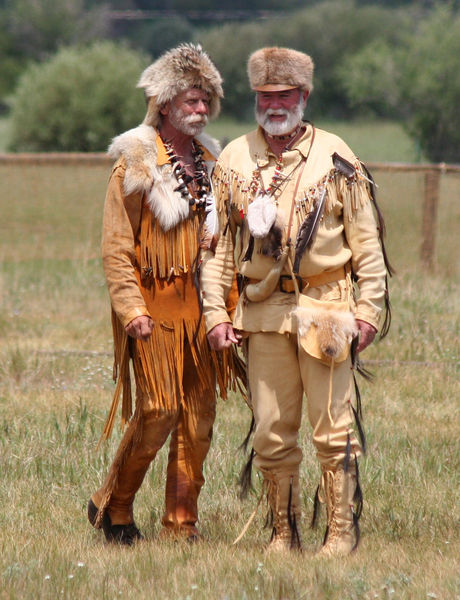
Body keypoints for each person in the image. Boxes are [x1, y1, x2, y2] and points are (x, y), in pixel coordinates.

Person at [200, 47, 392, 556]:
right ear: (256, 99)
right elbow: (217, 248)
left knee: (333, 430)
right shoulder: (234, 161)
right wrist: (216, 312)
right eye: (266, 96)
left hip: (328, 307)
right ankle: (282, 535)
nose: (275, 105)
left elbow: (367, 243)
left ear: (304, 96)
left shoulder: (337, 157)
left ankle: (340, 535)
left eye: (285, 95)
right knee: (270, 432)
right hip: (262, 313)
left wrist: (369, 309)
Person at [87, 44, 242, 545]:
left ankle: (181, 523)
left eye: (205, 102)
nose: (199, 110)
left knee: (198, 418)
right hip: (154, 307)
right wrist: (130, 307)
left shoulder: (216, 164)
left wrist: (230, 308)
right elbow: (115, 247)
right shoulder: (135, 162)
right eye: (190, 101)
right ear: (165, 103)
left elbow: (231, 246)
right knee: (157, 408)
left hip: (205, 308)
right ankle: (115, 506)